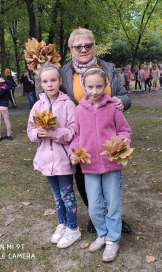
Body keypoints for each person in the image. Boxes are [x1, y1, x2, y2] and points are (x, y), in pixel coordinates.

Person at [37, 28, 132, 235]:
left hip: (108, 134)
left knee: (110, 178)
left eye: (87, 45)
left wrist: (120, 101)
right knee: (84, 177)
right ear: (71, 49)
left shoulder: (107, 68)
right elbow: (46, 91)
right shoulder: (62, 73)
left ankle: (113, 218)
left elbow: (125, 96)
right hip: (81, 134)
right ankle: (95, 215)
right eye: (78, 46)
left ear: (93, 46)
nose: (83, 49)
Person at [69, 67, 132, 262]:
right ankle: (102, 233)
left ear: (106, 85)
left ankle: (113, 239)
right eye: (90, 87)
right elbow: (77, 135)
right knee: (94, 204)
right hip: (89, 165)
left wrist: (123, 144)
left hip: (112, 163)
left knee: (113, 203)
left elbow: (124, 130)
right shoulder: (79, 109)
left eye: (98, 86)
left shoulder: (113, 106)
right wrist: (74, 151)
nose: (95, 91)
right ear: (84, 87)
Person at [27, 65, 81, 248]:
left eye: (53, 80)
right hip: (45, 160)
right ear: (40, 84)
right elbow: (30, 130)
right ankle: (63, 223)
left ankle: (73, 228)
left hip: (63, 160)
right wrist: (38, 134)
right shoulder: (37, 105)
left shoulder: (68, 104)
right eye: (45, 81)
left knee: (67, 195)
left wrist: (54, 133)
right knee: (57, 196)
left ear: (60, 81)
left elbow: (74, 132)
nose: (49, 84)